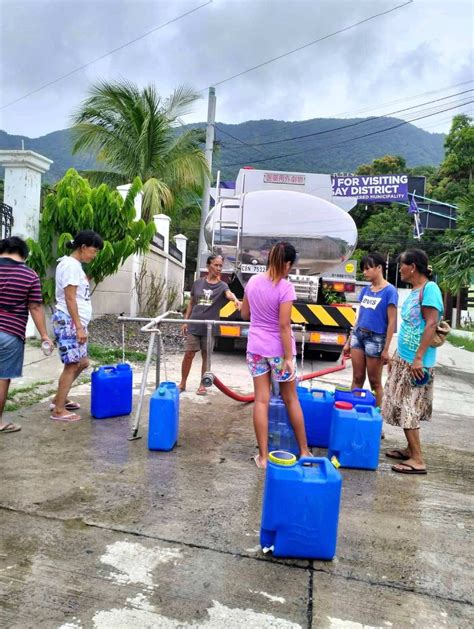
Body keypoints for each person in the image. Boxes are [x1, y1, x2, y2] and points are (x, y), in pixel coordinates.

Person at [240, 241, 312, 469]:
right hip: (279, 351)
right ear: (287, 263)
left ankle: (263, 457)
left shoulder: (252, 282)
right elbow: (283, 326)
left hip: (256, 349)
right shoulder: (285, 288)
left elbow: (244, 314)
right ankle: (304, 451)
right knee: (291, 398)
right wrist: (289, 358)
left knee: (261, 400)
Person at [383, 249, 443, 475]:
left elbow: (430, 324)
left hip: (418, 363)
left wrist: (418, 358)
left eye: (402, 265)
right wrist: (398, 356)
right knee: (400, 403)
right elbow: (410, 326)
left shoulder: (430, 289)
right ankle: (410, 449)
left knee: (409, 406)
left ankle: (418, 459)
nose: (400, 269)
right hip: (406, 359)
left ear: (413, 266)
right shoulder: (415, 290)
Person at [0, 236, 53, 434]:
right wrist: (45, 336)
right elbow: (35, 307)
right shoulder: (29, 275)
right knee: (2, 377)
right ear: (23, 254)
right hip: (9, 333)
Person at [50, 230, 103, 422]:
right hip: (70, 322)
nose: (94, 255)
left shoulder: (74, 266)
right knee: (72, 364)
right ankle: (58, 410)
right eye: (94, 250)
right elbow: (69, 297)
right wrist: (78, 327)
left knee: (83, 362)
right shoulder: (71, 265)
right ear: (82, 247)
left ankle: (58, 399)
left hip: (75, 322)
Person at [179, 254, 241, 395]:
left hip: (209, 328)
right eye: (216, 265)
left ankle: (203, 384)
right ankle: (182, 383)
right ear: (208, 266)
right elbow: (191, 302)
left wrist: (235, 299)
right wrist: (185, 321)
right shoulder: (198, 283)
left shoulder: (222, 285)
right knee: (188, 354)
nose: (219, 268)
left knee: (206, 356)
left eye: (220, 265)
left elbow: (228, 294)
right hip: (194, 325)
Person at [343, 252, 398, 407]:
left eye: (368, 269)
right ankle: (352, 414)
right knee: (357, 378)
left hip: (376, 339)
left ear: (379, 268)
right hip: (358, 337)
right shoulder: (366, 290)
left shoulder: (390, 291)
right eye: (363, 269)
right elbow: (359, 317)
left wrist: (386, 349)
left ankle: (376, 420)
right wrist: (349, 340)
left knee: (375, 382)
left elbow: (392, 322)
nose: (365, 272)